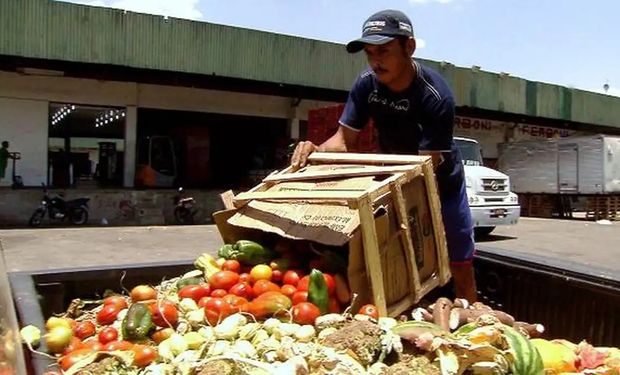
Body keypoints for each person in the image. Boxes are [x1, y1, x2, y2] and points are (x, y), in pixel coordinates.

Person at [291, 9, 477, 302]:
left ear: (409, 47)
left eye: (384, 51)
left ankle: (473, 312)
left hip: (439, 180)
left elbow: (428, 162)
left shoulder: (436, 95)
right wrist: (316, 150)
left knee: (458, 255)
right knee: (391, 254)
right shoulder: (367, 84)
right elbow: (343, 140)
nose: (375, 61)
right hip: (392, 175)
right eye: (369, 53)